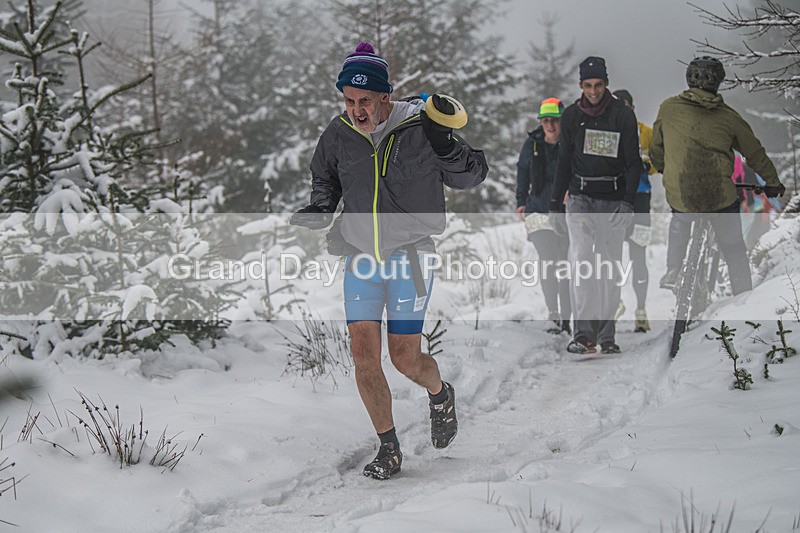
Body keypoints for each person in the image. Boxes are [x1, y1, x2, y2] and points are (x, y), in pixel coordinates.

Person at [290, 42, 489, 480]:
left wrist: (444, 143)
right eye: (348, 100)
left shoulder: (421, 125)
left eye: (364, 101)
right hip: (362, 258)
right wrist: (322, 207)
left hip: (412, 256)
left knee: (405, 359)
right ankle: (389, 448)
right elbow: (325, 175)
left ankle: (439, 393)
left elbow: (473, 175)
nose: (356, 110)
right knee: (364, 356)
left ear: (385, 96)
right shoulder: (339, 132)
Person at [651, 57, 784, 295]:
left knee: (680, 219)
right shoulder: (729, 117)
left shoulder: (668, 108)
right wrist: (772, 183)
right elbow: (755, 153)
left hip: (682, 192)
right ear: (718, 82)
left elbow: (657, 149)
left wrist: (663, 166)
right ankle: (744, 298)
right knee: (734, 249)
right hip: (719, 197)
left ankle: (673, 268)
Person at [548, 57, 642, 355]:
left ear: (606, 84)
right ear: (580, 85)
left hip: (613, 199)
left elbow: (633, 163)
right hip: (580, 198)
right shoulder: (573, 116)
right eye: (587, 85)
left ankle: (607, 334)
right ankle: (584, 333)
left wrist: (629, 202)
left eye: (598, 85)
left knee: (609, 268)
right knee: (583, 262)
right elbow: (563, 162)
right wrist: (554, 203)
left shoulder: (622, 116)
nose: (593, 91)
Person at [516, 97, 571, 334]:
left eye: (554, 121)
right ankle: (554, 312)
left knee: (565, 265)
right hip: (538, 210)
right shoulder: (532, 144)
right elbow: (522, 172)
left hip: (566, 213)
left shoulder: (570, 143)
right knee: (548, 262)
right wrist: (520, 202)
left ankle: (568, 315)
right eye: (546, 121)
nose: (550, 125)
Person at [612, 89, 657, 333]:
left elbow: (658, 163)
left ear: (633, 106)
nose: (623, 109)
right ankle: (615, 304)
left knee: (638, 256)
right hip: (616, 199)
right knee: (614, 257)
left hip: (640, 200)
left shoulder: (646, 132)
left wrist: (646, 164)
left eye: (626, 105)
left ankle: (641, 310)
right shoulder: (609, 130)